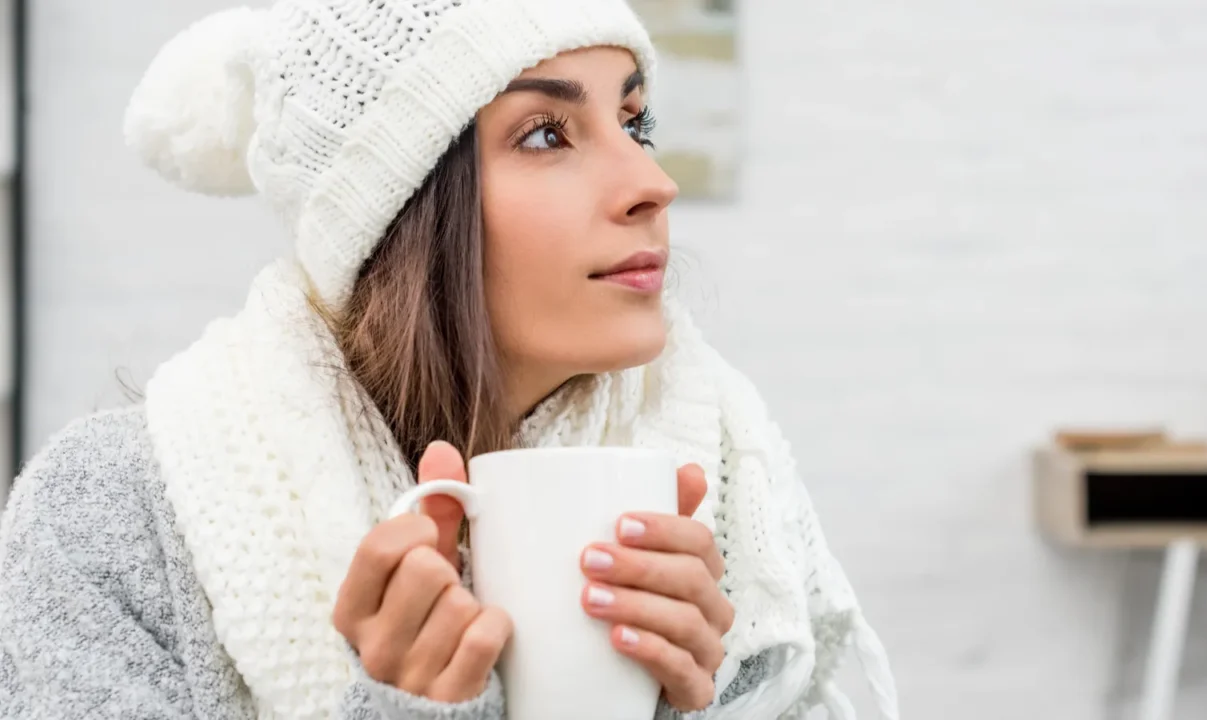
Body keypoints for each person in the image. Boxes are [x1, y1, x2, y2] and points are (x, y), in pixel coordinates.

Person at [0, 1, 899, 718]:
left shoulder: (718, 480)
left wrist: (682, 706)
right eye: (546, 132)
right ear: (398, 214)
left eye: (636, 118)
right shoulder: (107, 518)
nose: (651, 185)